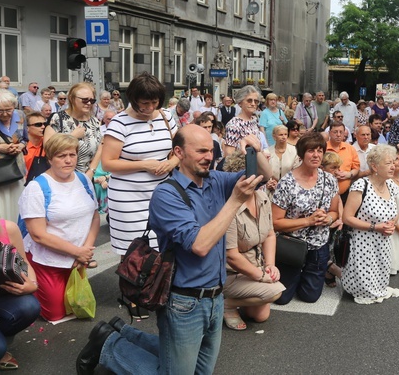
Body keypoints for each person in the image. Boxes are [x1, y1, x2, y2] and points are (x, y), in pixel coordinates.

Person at [77, 126, 264, 375]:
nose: (209, 156)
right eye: (200, 151)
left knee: (199, 371)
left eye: (211, 150)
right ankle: (110, 345)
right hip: (184, 303)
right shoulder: (166, 194)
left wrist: (257, 153)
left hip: (216, 298)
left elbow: (263, 175)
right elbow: (200, 245)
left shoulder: (215, 179)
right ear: (179, 152)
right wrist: (236, 201)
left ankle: (122, 332)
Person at [18, 134, 100, 321]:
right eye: (61, 156)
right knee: (56, 315)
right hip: (48, 260)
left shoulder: (83, 179)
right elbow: (38, 235)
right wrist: (77, 252)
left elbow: (95, 216)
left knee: (75, 308)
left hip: (77, 257)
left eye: (72, 154)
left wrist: (85, 250)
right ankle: (30, 283)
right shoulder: (36, 188)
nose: (68, 160)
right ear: (50, 158)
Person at [102, 73, 179, 260]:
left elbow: (180, 149)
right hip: (129, 198)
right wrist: (144, 165)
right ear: (133, 99)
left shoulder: (166, 116)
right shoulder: (120, 122)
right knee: (134, 255)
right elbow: (107, 163)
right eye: (144, 103)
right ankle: (132, 290)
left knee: (163, 250)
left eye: (154, 102)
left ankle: (159, 289)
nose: (150, 107)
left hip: (161, 194)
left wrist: (171, 163)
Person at [272, 133, 340, 305]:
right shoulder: (287, 182)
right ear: (302, 154)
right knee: (282, 299)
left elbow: (334, 211)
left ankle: (321, 269)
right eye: (311, 151)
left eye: (319, 150)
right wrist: (308, 221)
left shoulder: (330, 180)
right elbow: (276, 222)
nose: (316, 155)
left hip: (318, 245)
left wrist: (328, 219)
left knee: (309, 297)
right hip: (292, 245)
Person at [220, 150, 285, 331]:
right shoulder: (229, 207)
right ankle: (226, 303)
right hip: (232, 273)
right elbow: (231, 256)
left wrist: (270, 266)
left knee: (260, 316)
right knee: (275, 291)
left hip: (256, 264)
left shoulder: (262, 197)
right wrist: (261, 277)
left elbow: (270, 234)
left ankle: (239, 300)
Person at [341, 145, 399, 304]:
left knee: (380, 282)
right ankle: (335, 270)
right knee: (363, 290)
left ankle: (334, 269)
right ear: (374, 166)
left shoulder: (391, 186)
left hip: (383, 242)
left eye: (393, 162)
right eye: (388, 163)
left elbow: (395, 213)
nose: (393, 166)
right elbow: (347, 217)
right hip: (363, 243)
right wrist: (375, 227)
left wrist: (391, 224)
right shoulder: (361, 185)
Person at [0, 200, 40, 371]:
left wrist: (32, 285)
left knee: (29, 306)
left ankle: (0, 337)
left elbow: (24, 263)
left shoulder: (8, 228)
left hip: (2, 296)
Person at [44, 82, 102, 176]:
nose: (88, 103)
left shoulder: (94, 121)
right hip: (61, 177)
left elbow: (100, 148)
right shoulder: (58, 119)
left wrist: (91, 171)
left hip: (86, 178)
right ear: (72, 99)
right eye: (84, 100)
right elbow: (48, 149)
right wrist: (72, 136)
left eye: (92, 100)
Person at [0, 90, 26, 222]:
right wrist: (0, 148)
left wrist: (20, 146)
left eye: (8, 110)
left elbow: (26, 138)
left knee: (18, 207)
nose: (5, 114)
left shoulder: (20, 116)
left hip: (17, 170)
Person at [224, 86, 268, 157]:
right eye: (249, 100)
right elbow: (229, 155)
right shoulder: (234, 124)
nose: (253, 104)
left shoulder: (254, 120)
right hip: (242, 165)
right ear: (240, 103)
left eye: (256, 101)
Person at [325, 121, 360, 202]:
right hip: (326, 192)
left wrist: (348, 174)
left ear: (344, 133)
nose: (338, 135)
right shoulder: (323, 148)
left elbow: (356, 168)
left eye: (341, 132)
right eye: (335, 132)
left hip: (345, 192)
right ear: (329, 133)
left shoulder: (350, 148)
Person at [265, 125, 299, 199]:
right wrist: (269, 183)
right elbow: (264, 172)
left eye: (285, 134)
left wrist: (281, 185)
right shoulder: (267, 152)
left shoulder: (294, 151)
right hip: (270, 191)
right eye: (281, 135)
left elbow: (296, 171)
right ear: (274, 137)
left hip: (290, 190)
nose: (284, 137)